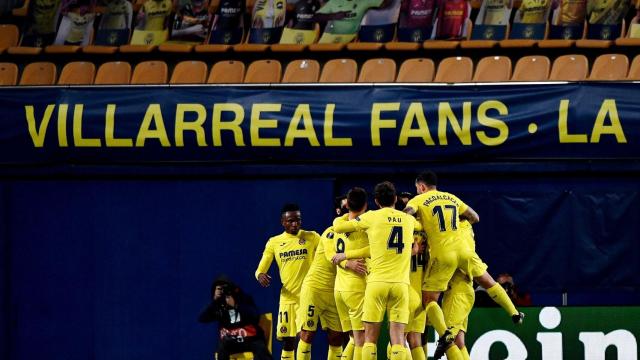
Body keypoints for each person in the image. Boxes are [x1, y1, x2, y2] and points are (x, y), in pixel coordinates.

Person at [404, 171, 524, 360]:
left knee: (430, 301)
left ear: (421, 186)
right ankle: (514, 313)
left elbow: (406, 215)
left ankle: (444, 335)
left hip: (444, 254)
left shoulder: (419, 200)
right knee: (487, 280)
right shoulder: (453, 200)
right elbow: (475, 217)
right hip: (465, 254)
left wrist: (416, 223)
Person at [333, 181, 419, 360]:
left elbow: (339, 227)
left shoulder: (371, 217)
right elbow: (419, 228)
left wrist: (342, 215)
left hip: (376, 284)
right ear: (395, 198)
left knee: (370, 340)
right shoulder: (409, 221)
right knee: (398, 340)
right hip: (401, 285)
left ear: (377, 201)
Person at [255, 203, 321, 360]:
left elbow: (326, 257)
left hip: (307, 297)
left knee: (304, 337)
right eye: (291, 221)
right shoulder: (274, 242)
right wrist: (260, 275)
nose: (295, 224)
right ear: (282, 222)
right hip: (287, 298)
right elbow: (260, 269)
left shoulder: (312, 237)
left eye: (298, 220)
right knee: (288, 341)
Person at [295, 219, 349, 360]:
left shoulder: (358, 234)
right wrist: (350, 263)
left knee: (337, 337)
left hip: (334, 292)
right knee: (307, 333)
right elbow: (331, 256)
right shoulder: (330, 232)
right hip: (315, 289)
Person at [330, 187, 370, 360]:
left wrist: (345, 261)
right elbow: (374, 249)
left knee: (353, 339)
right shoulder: (366, 225)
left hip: (339, 289)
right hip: (356, 287)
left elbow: (332, 253)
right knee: (361, 339)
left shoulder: (338, 222)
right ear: (366, 205)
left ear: (347, 204)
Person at [198, 278, 272, 360]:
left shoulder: (243, 299)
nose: (224, 291)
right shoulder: (219, 305)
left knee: (261, 349)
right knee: (222, 348)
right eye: (220, 289)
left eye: (226, 288)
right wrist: (215, 301)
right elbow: (202, 318)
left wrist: (236, 306)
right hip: (231, 342)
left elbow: (255, 316)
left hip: (251, 339)